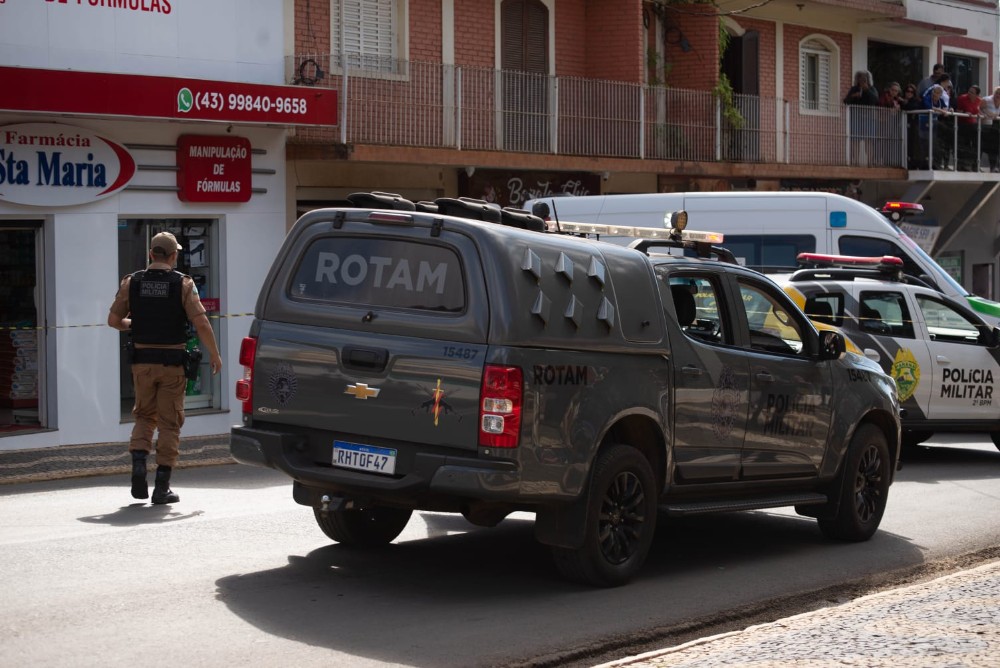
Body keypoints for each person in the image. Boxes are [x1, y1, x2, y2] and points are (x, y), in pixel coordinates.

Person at [107, 232, 223, 504]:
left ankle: (138, 467)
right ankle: (162, 487)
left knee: (144, 416)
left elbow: (113, 320)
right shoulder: (183, 284)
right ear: (173, 256)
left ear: (150, 254)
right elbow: (202, 324)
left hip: (142, 362)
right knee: (170, 423)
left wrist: (131, 325)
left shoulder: (131, 282)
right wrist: (215, 355)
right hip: (172, 364)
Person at [843, 70, 879, 165]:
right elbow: (846, 101)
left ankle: (870, 162)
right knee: (855, 140)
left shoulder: (872, 89)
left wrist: (866, 90)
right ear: (857, 79)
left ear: (868, 79)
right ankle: (855, 162)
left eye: (864, 78)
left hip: (869, 118)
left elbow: (875, 100)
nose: (862, 80)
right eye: (860, 78)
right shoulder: (854, 89)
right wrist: (853, 96)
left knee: (869, 140)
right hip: (856, 118)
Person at [921, 84, 954, 169]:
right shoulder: (927, 98)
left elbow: (945, 108)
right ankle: (926, 164)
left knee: (937, 143)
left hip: (935, 124)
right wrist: (940, 110)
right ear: (933, 92)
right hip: (924, 122)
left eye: (939, 93)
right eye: (935, 92)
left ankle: (938, 163)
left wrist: (950, 109)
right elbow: (927, 106)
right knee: (926, 144)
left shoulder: (940, 100)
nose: (936, 95)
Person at [954, 85, 984, 170]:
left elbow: (980, 111)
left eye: (972, 92)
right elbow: (957, 111)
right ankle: (961, 165)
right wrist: (965, 112)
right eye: (969, 91)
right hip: (962, 125)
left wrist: (979, 114)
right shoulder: (962, 98)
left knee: (976, 145)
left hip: (974, 126)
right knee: (964, 145)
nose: (969, 93)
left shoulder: (979, 101)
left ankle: (975, 165)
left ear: (977, 95)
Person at [982, 86, 1000, 172]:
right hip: (985, 127)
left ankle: (995, 167)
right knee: (985, 148)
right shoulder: (987, 100)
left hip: (995, 129)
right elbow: (979, 108)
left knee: (995, 148)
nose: (998, 95)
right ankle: (976, 166)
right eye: (997, 92)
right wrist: (990, 114)